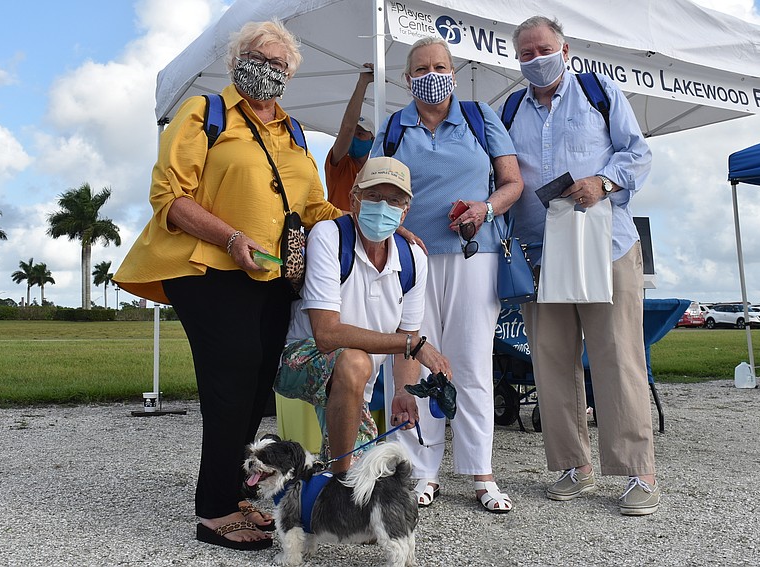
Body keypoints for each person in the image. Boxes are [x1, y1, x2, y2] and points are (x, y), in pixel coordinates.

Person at [113, 19, 343, 550]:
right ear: (238, 60)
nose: (270, 70)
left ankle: (237, 493)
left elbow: (312, 208)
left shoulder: (294, 132)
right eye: (261, 58)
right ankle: (213, 511)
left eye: (281, 65)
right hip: (210, 269)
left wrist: (371, 219)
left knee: (255, 389)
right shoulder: (204, 114)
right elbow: (170, 196)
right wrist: (232, 236)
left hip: (273, 279)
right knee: (231, 385)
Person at [504, 16, 658, 516]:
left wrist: (604, 182)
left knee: (618, 357)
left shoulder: (600, 92)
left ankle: (639, 473)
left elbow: (638, 154)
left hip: (605, 245)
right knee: (550, 361)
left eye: (542, 49)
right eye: (524, 54)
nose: (534, 59)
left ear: (564, 49)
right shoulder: (507, 108)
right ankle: (575, 465)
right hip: (539, 252)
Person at [369, 37, 524, 513]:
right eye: (421, 68)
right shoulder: (394, 127)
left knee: (472, 362)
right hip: (409, 261)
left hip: (473, 256)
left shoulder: (480, 118)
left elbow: (513, 182)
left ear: (453, 72)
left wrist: (486, 207)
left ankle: (483, 474)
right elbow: (372, 189)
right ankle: (421, 471)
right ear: (407, 78)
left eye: (440, 65)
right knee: (413, 363)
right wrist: (397, 230)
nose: (432, 73)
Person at [276, 156, 451, 474]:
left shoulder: (413, 258)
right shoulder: (330, 236)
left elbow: (406, 333)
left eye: (394, 199)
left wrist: (403, 391)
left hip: (358, 376)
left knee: (373, 474)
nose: (383, 206)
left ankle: (331, 474)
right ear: (353, 199)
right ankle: (340, 481)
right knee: (355, 361)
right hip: (301, 360)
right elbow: (327, 334)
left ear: (405, 210)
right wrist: (412, 344)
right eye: (374, 196)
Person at [325, 63, 375, 211]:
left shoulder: (375, 171)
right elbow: (347, 128)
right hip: (339, 231)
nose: (354, 137)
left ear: (372, 140)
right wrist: (362, 83)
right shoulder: (339, 164)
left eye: (360, 134)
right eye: (353, 133)